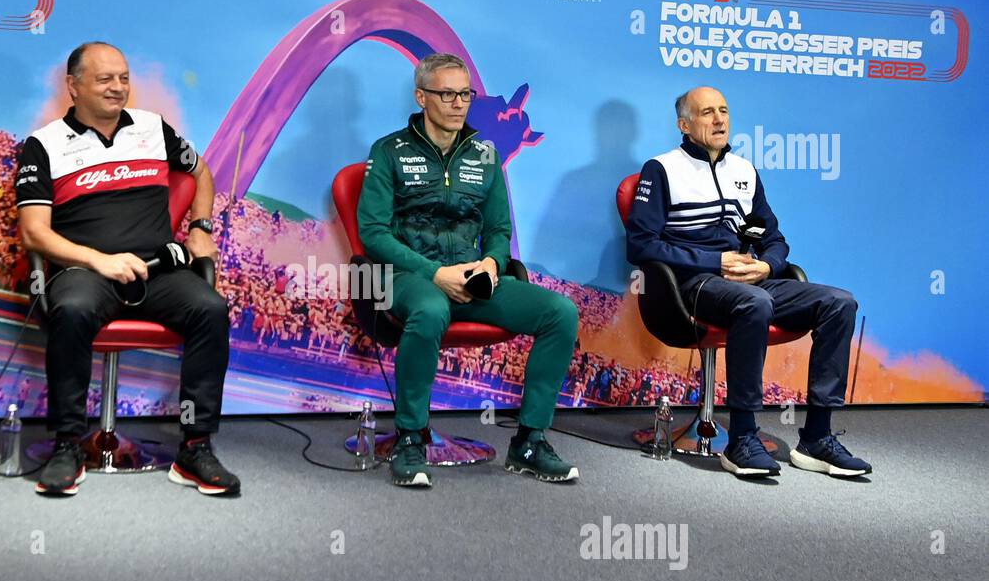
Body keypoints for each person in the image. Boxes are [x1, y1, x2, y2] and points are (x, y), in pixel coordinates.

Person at [16, 42, 240, 497]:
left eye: (123, 77)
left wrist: (200, 226)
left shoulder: (154, 129)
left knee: (210, 309)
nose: (117, 88)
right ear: (73, 86)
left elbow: (200, 172)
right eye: (104, 79)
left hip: (156, 271)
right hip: (84, 270)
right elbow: (35, 234)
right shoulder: (43, 145)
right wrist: (99, 260)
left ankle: (196, 447)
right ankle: (67, 445)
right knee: (74, 310)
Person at [357, 53, 581, 488]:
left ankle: (530, 441)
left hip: (472, 279)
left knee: (561, 312)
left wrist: (492, 264)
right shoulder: (389, 151)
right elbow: (373, 234)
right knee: (430, 310)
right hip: (407, 278)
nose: (459, 104)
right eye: (447, 94)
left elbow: (499, 229)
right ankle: (410, 438)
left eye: (465, 94)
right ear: (422, 96)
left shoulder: (486, 153)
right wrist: (434, 274)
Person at [625, 86, 871, 479]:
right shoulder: (662, 168)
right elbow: (641, 245)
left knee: (840, 302)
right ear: (684, 125)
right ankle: (742, 438)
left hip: (752, 279)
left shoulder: (744, 171)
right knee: (752, 303)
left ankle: (817, 437)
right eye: (707, 113)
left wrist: (768, 267)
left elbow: (774, 238)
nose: (719, 119)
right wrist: (713, 261)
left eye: (723, 111)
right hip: (692, 285)